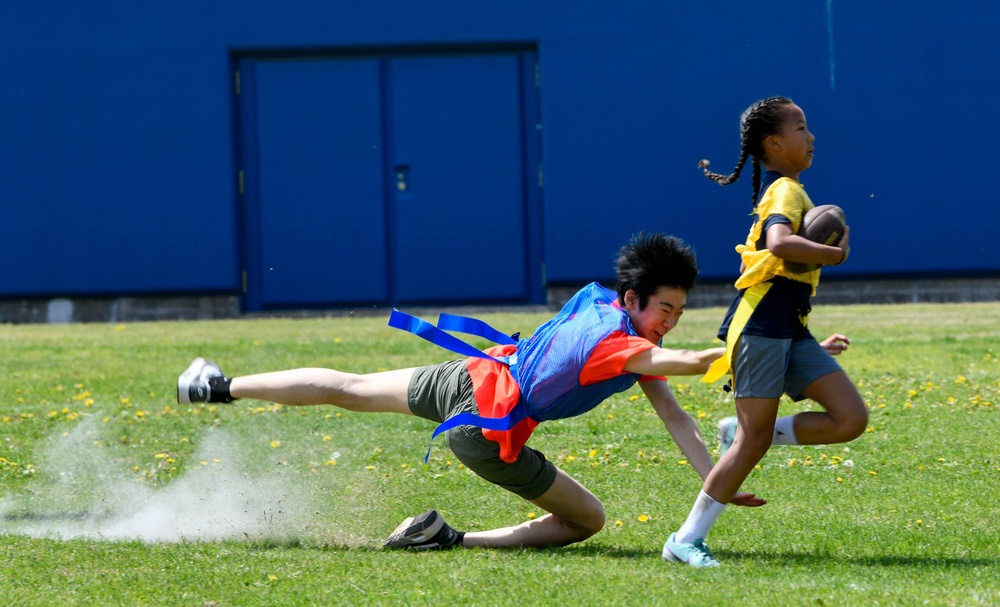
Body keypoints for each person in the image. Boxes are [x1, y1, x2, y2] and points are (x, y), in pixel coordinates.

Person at [177, 232, 765, 550]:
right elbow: (686, 362)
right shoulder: (621, 345)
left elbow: (675, 416)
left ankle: (213, 386)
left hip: (475, 374)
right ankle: (451, 539)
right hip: (487, 429)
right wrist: (745, 347)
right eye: (666, 307)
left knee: (349, 387)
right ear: (633, 300)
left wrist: (716, 482)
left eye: (680, 311)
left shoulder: (607, 308)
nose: (671, 320)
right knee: (588, 521)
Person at [662, 97, 868, 568]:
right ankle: (685, 540)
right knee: (750, 446)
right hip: (760, 324)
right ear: (774, 142)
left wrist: (812, 343)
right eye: (801, 127)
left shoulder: (793, 190)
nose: (810, 135)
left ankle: (748, 430)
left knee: (849, 418)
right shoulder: (785, 192)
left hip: (788, 327)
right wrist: (835, 255)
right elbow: (778, 244)